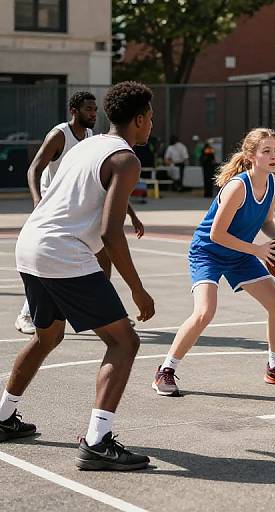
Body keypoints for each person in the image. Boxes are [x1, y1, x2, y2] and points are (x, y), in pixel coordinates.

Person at [0, 81, 155, 471]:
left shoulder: (88, 144)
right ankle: (98, 442)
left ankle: (2, 416)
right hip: (61, 252)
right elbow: (108, 232)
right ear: (139, 119)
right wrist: (138, 290)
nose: (152, 124)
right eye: (150, 117)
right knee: (124, 342)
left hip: (31, 243)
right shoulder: (126, 160)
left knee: (47, 336)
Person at [152, 128, 275, 396]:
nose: (274, 156)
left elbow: (267, 222)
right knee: (205, 312)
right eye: (266, 151)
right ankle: (165, 370)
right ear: (251, 155)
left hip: (240, 253)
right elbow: (217, 234)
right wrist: (258, 250)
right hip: (208, 252)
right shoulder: (237, 186)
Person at [14, 91, 144, 335]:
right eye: (88, 109)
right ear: (74, 111)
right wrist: (37, 201)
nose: (93, 113)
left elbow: (110, 187)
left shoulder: (92, 139)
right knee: (48, 261)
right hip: (55, 211)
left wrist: (132, 214)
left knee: (102, 257)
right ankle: (25, 313)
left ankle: (106, 310)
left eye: (95, 109)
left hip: (72, 212)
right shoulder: (59, 135)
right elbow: (34, 168)